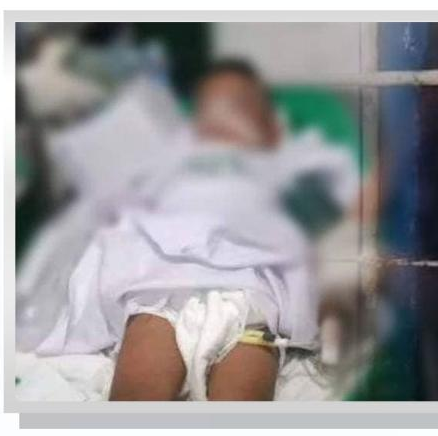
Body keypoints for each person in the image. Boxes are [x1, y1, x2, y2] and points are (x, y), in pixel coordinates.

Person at [35, 59, 358, 401]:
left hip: (252, 300)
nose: (225, 118)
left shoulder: (281, 162)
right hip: (161, 292)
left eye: (239, 106)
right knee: (141, 383)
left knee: (243, 389)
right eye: (214, 107)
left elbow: (338, 192)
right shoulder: (170, 160)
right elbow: (115, 198)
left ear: (269, 125)